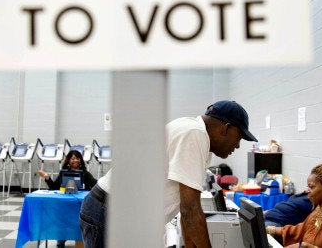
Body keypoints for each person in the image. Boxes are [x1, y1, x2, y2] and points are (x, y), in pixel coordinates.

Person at [79, 100, 258, 248]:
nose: (237, 146)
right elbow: (190, 210)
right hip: (109, 212)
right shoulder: (194, 134)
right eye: (239, 138)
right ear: (225, 129)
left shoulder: (196, 134)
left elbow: (186, 207)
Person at [266, 159, 322, 248]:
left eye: (311, 187)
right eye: (307, 186)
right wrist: (271, 230)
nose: (307, 190)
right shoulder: (319, 209)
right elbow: (299, 230)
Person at [38, 150, 97, 248]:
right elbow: (54, 187)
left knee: (80, 223)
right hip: (66, 204)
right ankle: (61, 240)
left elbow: (95, 184)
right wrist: (47, 177)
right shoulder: (63, 173)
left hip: (81, 205)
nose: (76, 160)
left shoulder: (85, 174)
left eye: (77, 158)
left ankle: (80, 240)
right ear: (68, 161)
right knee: (63, 220)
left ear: (81, 160)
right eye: (73, 158)